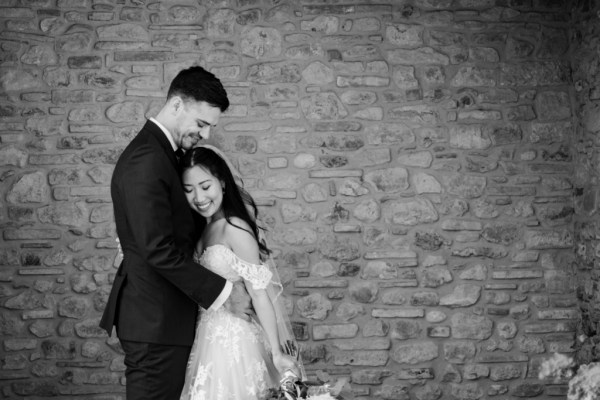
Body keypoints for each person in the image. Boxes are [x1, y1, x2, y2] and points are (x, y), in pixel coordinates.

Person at [99, 66, 252, 400]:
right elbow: (158, 250)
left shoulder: (163, 155)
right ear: (177, 105)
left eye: (211, 127)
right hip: (156, 325)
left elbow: (156, 231)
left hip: (165, 321)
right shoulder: (147, 159)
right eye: (201, 124)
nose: (206, 135)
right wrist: (227, 293)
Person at [178, 145, 303, 400]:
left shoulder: (236, 229)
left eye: (205, 186)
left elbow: (259, 295)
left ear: (222, 183)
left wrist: (277, 353)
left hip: (234, 340)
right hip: (205, 337)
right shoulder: (202, 228)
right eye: (189, 190)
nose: (199, 197)